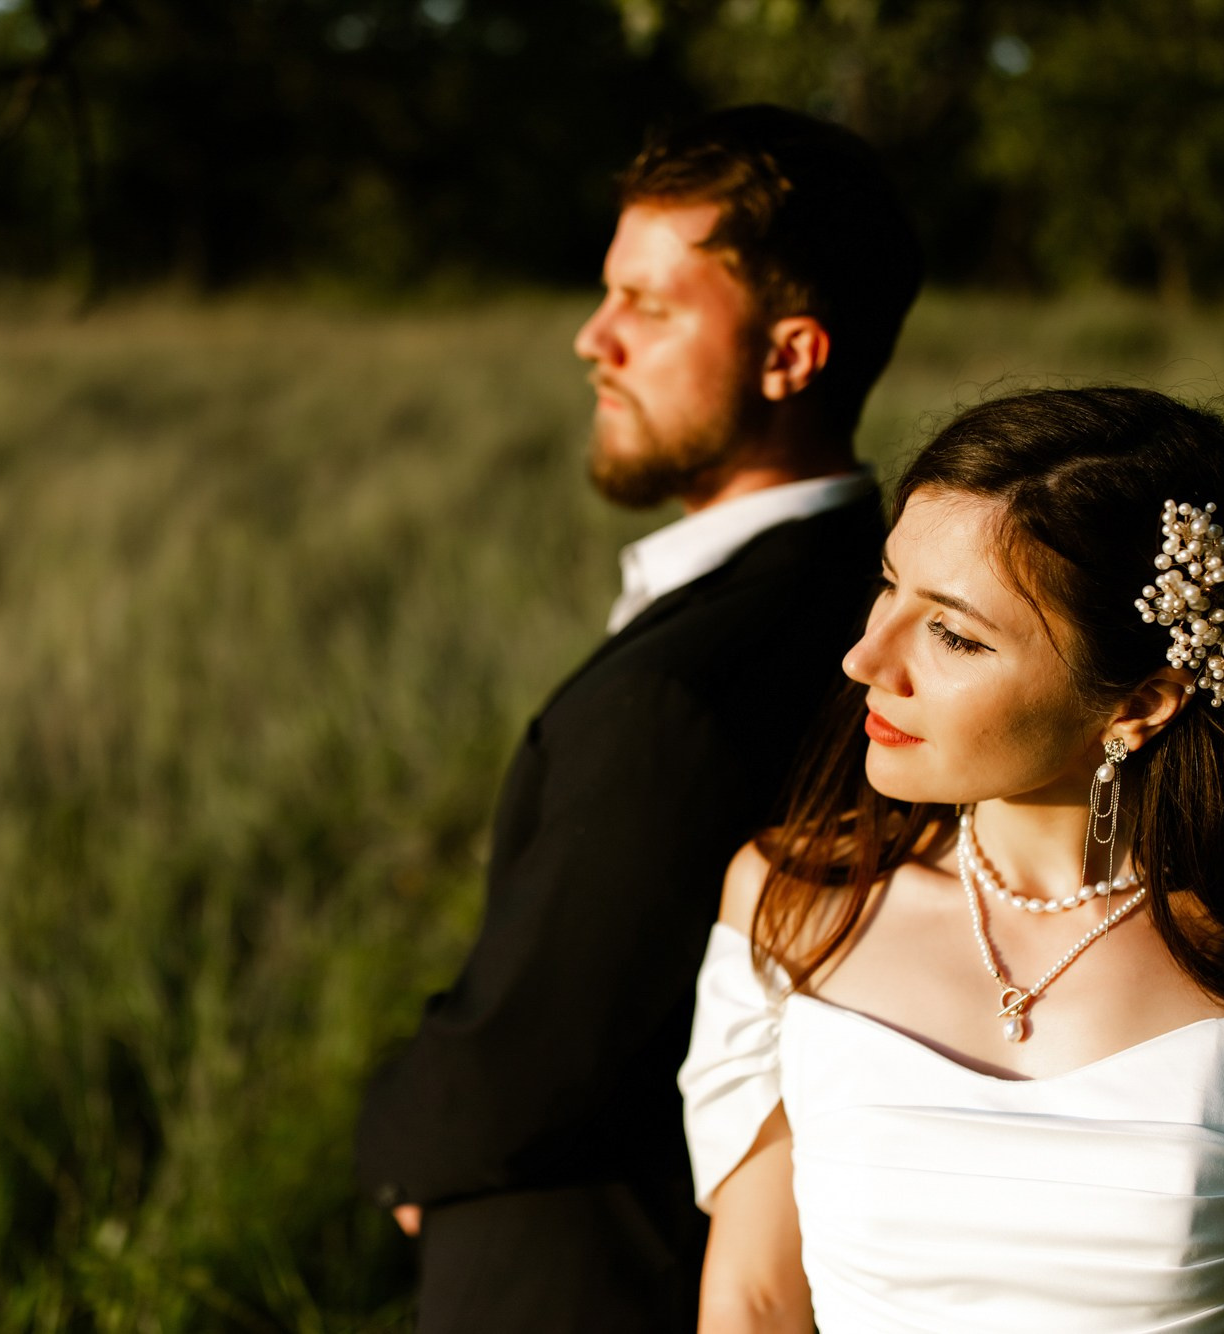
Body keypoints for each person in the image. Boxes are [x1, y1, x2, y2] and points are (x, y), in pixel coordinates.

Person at [680, 387, 1224, 1332]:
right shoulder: (800, 904)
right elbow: (755, 1303)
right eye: (888, 585)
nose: (864, 656)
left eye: (953, 633)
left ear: (1140, 702)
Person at [354, 105, 922, 1331]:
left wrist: (399, 1138)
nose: (592, 338)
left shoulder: (681, 689)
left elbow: (538, 1056)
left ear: (791, 355)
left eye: (648, 307)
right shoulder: (880, 594)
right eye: (606, 294)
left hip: (598, 1278)